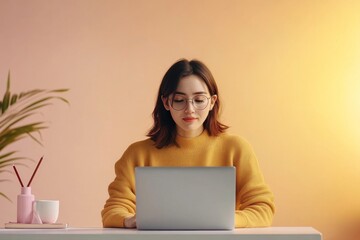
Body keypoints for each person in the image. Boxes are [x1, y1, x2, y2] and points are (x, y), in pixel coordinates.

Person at [101, 59, 275, 228]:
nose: (189, 109)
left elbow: (262, 208)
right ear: (166, 102)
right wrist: (129, 220)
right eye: (179, 100)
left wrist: (226, 221)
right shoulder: (137, 154)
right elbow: (113, 210)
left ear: (212, 102)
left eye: (199, 100)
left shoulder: (236, 149)